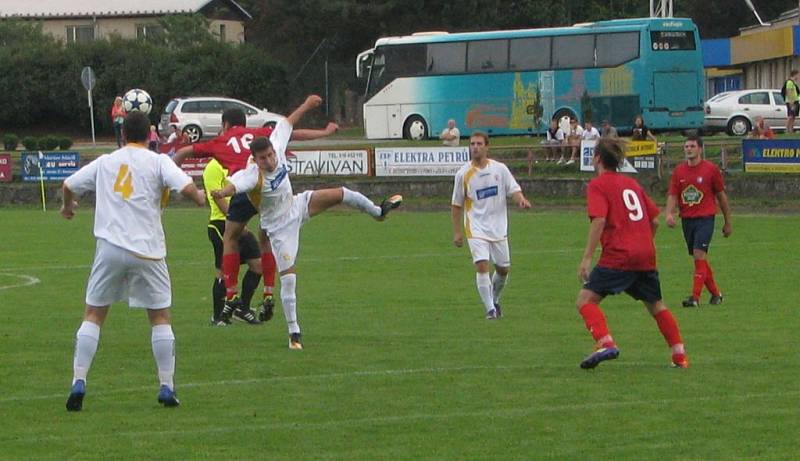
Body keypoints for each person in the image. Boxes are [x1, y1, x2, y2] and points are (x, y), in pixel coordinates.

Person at [211, 116, 403, 350]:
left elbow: (288, 122)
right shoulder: (252, 174)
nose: (270, 160)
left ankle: (378, 212)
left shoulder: (277, 148)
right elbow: (234, 185)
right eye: (263, 158)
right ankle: (294, 333)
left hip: (298, 205)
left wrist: (309, 107)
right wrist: (222, 192)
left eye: (270, 155)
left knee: (342, 193)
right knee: (289, 279)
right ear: (255, 160)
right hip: (280, 230)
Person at [60, 111, 206, 411]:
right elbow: (188, 189)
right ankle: (166, 386)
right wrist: (201, 198)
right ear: (149, 136)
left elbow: (69, 185)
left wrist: (68, 207)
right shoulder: (159, 161)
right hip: (148, 250)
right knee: (160, 317)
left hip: (110, 247)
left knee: (94, 314)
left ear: (123, 134)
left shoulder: (105, 161)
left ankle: (79, 380)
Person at [172, 96, 338, 324]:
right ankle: (268, 291)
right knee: (266, 237)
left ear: (225, 125)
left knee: (230, 237)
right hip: (269, 191)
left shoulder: (221, 141)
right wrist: (325, 133)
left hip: (246, 188)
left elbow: (186, 151)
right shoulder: (259, 135)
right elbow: (293, 133)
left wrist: (172, 173)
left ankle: (232, 294)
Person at [576, 137, 688, 369]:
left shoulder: (598, 185)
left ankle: (605, 342)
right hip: (645, 253)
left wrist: (587, 258)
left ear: (597, 159)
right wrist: (642, 242)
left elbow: (599, 219)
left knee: (585, 300)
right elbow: (654, 220)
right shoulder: (631, 184)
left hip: (619, 254)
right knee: (656, 305)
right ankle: (679, 356)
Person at [451, 132, 531, 320]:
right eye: (472, 144)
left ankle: (494, 299)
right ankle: (490, 311)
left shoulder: (500, 169)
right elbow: (456, 205)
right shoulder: (463, 174)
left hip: (498, 228)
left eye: (479, 143)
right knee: (482, 265)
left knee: (503, 269)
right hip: (476, 227)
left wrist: (521, 200)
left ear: (487, 146)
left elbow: (514, 189)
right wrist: (457, 232)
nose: (475, 147)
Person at [665, 136, 732, 308]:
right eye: (686, 146)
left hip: (705, 218)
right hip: (687, 219)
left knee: (698, 254)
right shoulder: (679, 172)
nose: (688, 149)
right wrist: (669, 214)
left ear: (700, 149)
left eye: (692, 146)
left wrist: (727, 221)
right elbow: (673, 194)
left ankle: (694, 297)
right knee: (698, 258)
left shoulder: (711, 170)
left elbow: (721, 196)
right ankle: (716, 294)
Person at [202, 158, 263, 325]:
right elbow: (217, 197)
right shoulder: (213, 168)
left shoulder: (237, 164)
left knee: (258, 264)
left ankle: (242, 308)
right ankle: (218, 316)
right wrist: (235, 220)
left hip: (238, 222)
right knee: (224, 270)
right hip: (221, 224)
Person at [784, 70, 799, 134]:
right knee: (790, 116)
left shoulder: (793, 82)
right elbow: (789, 91)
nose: (798, 76)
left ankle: (791, 129)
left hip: (795, 101)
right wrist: (791, 102)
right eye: (798, 75)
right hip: (791, 101)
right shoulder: (789, 82)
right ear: (794, 75)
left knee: (793, 116)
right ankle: (787, 129)